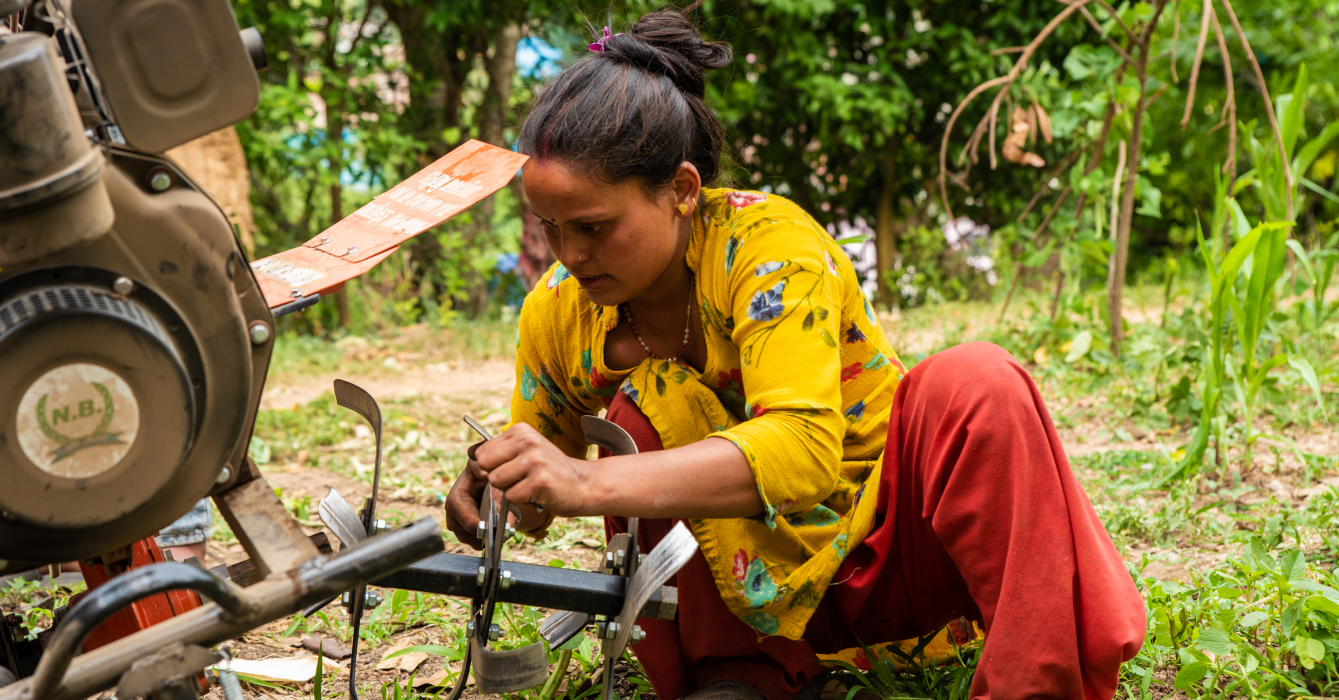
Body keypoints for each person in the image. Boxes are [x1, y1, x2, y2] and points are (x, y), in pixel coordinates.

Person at [444, 6, 1146, 699]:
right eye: (551, 227)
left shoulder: (770, 250)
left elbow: (803, 451)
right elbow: (544, 486)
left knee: (978, 381)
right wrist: (503, 489)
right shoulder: (559, 310)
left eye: (594, 227)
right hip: (736, 607)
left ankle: (1037, 685)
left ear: (683, 190)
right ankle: (734, 674)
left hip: (882, 559)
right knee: (638, 414)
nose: (570, 253)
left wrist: (582, 483)